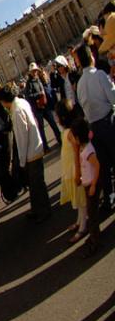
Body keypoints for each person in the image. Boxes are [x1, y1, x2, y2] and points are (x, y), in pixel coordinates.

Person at [74, 42, 115, 222]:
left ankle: (110, 197)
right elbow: (113, 98)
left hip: (94, 128)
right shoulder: (99, 75)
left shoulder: (80, 83)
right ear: (91, 56)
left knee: (104, 165)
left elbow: (83, 107)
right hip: (108, 123)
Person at [0, 84, 50, 222]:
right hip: (34, 148)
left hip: (31, 152)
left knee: (37, 184)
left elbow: (23, 138)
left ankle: (43, 212)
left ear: (5, 100)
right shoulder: (21, 102)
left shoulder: (16, 110)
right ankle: (36, 210)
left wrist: (21, 162)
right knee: (34, 185)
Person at [70, 118, 100, 256]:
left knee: (92, 215)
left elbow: (97, 166)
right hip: (87, 185)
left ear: (77, 137)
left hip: (91, 187)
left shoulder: (88, 151)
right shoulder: (84, 149)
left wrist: (93, 184)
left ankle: (95, 242)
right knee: (90, 212)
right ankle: (93, 237)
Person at [57, 101, 85, 244]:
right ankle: (80, 221)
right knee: (79, 199)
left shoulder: (70, 133)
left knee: (81, 200)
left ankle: (83, 226)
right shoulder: (66, 132)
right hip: (70, 169)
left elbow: (76, 151)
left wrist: (78, 172)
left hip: (74, 169)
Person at [24, 63, 61, 150]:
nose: (35, 73)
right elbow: (29, 97)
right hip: (38, 109)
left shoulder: (38, 80)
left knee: (53, 123)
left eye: (36, 71)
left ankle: (60, 139)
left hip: (45, 106)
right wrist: (38, 95)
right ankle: (45, 147)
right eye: (33, 71)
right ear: (30, 72)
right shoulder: (29, 84)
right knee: (41, 129)